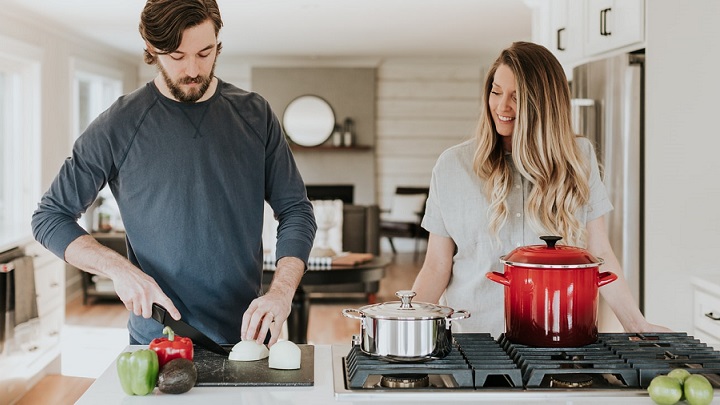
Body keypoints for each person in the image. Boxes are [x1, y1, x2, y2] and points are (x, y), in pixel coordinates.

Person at [31, 0, 317, 347]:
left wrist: (281, 293)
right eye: (177, 56)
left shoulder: (255, 115)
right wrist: (119, 269)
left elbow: (296, 210)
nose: (193, 69)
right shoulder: (119, 124)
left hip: (248, 338)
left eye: (205, 52)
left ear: (217, 44)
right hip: (158, 340)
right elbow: (50, 217)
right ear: (151, 49)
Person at [411, 41, 668, 337]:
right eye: (496, 92)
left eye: (516, 98)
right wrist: (403, 328)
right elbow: (436, 266)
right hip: (474, 344)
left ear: (544, 105)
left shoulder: (579, 158)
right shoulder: (452, 165)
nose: (502, 107)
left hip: (560, 341)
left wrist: (636, 325)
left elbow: (599, 252)